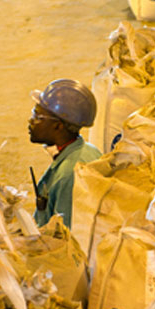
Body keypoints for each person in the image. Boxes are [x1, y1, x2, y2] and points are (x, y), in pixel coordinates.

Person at [28, 78, 101, 229]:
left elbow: (65, 239)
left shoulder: (69, 175)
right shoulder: (89, 150)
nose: (30, 121)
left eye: (37, 116)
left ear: (58, 126)